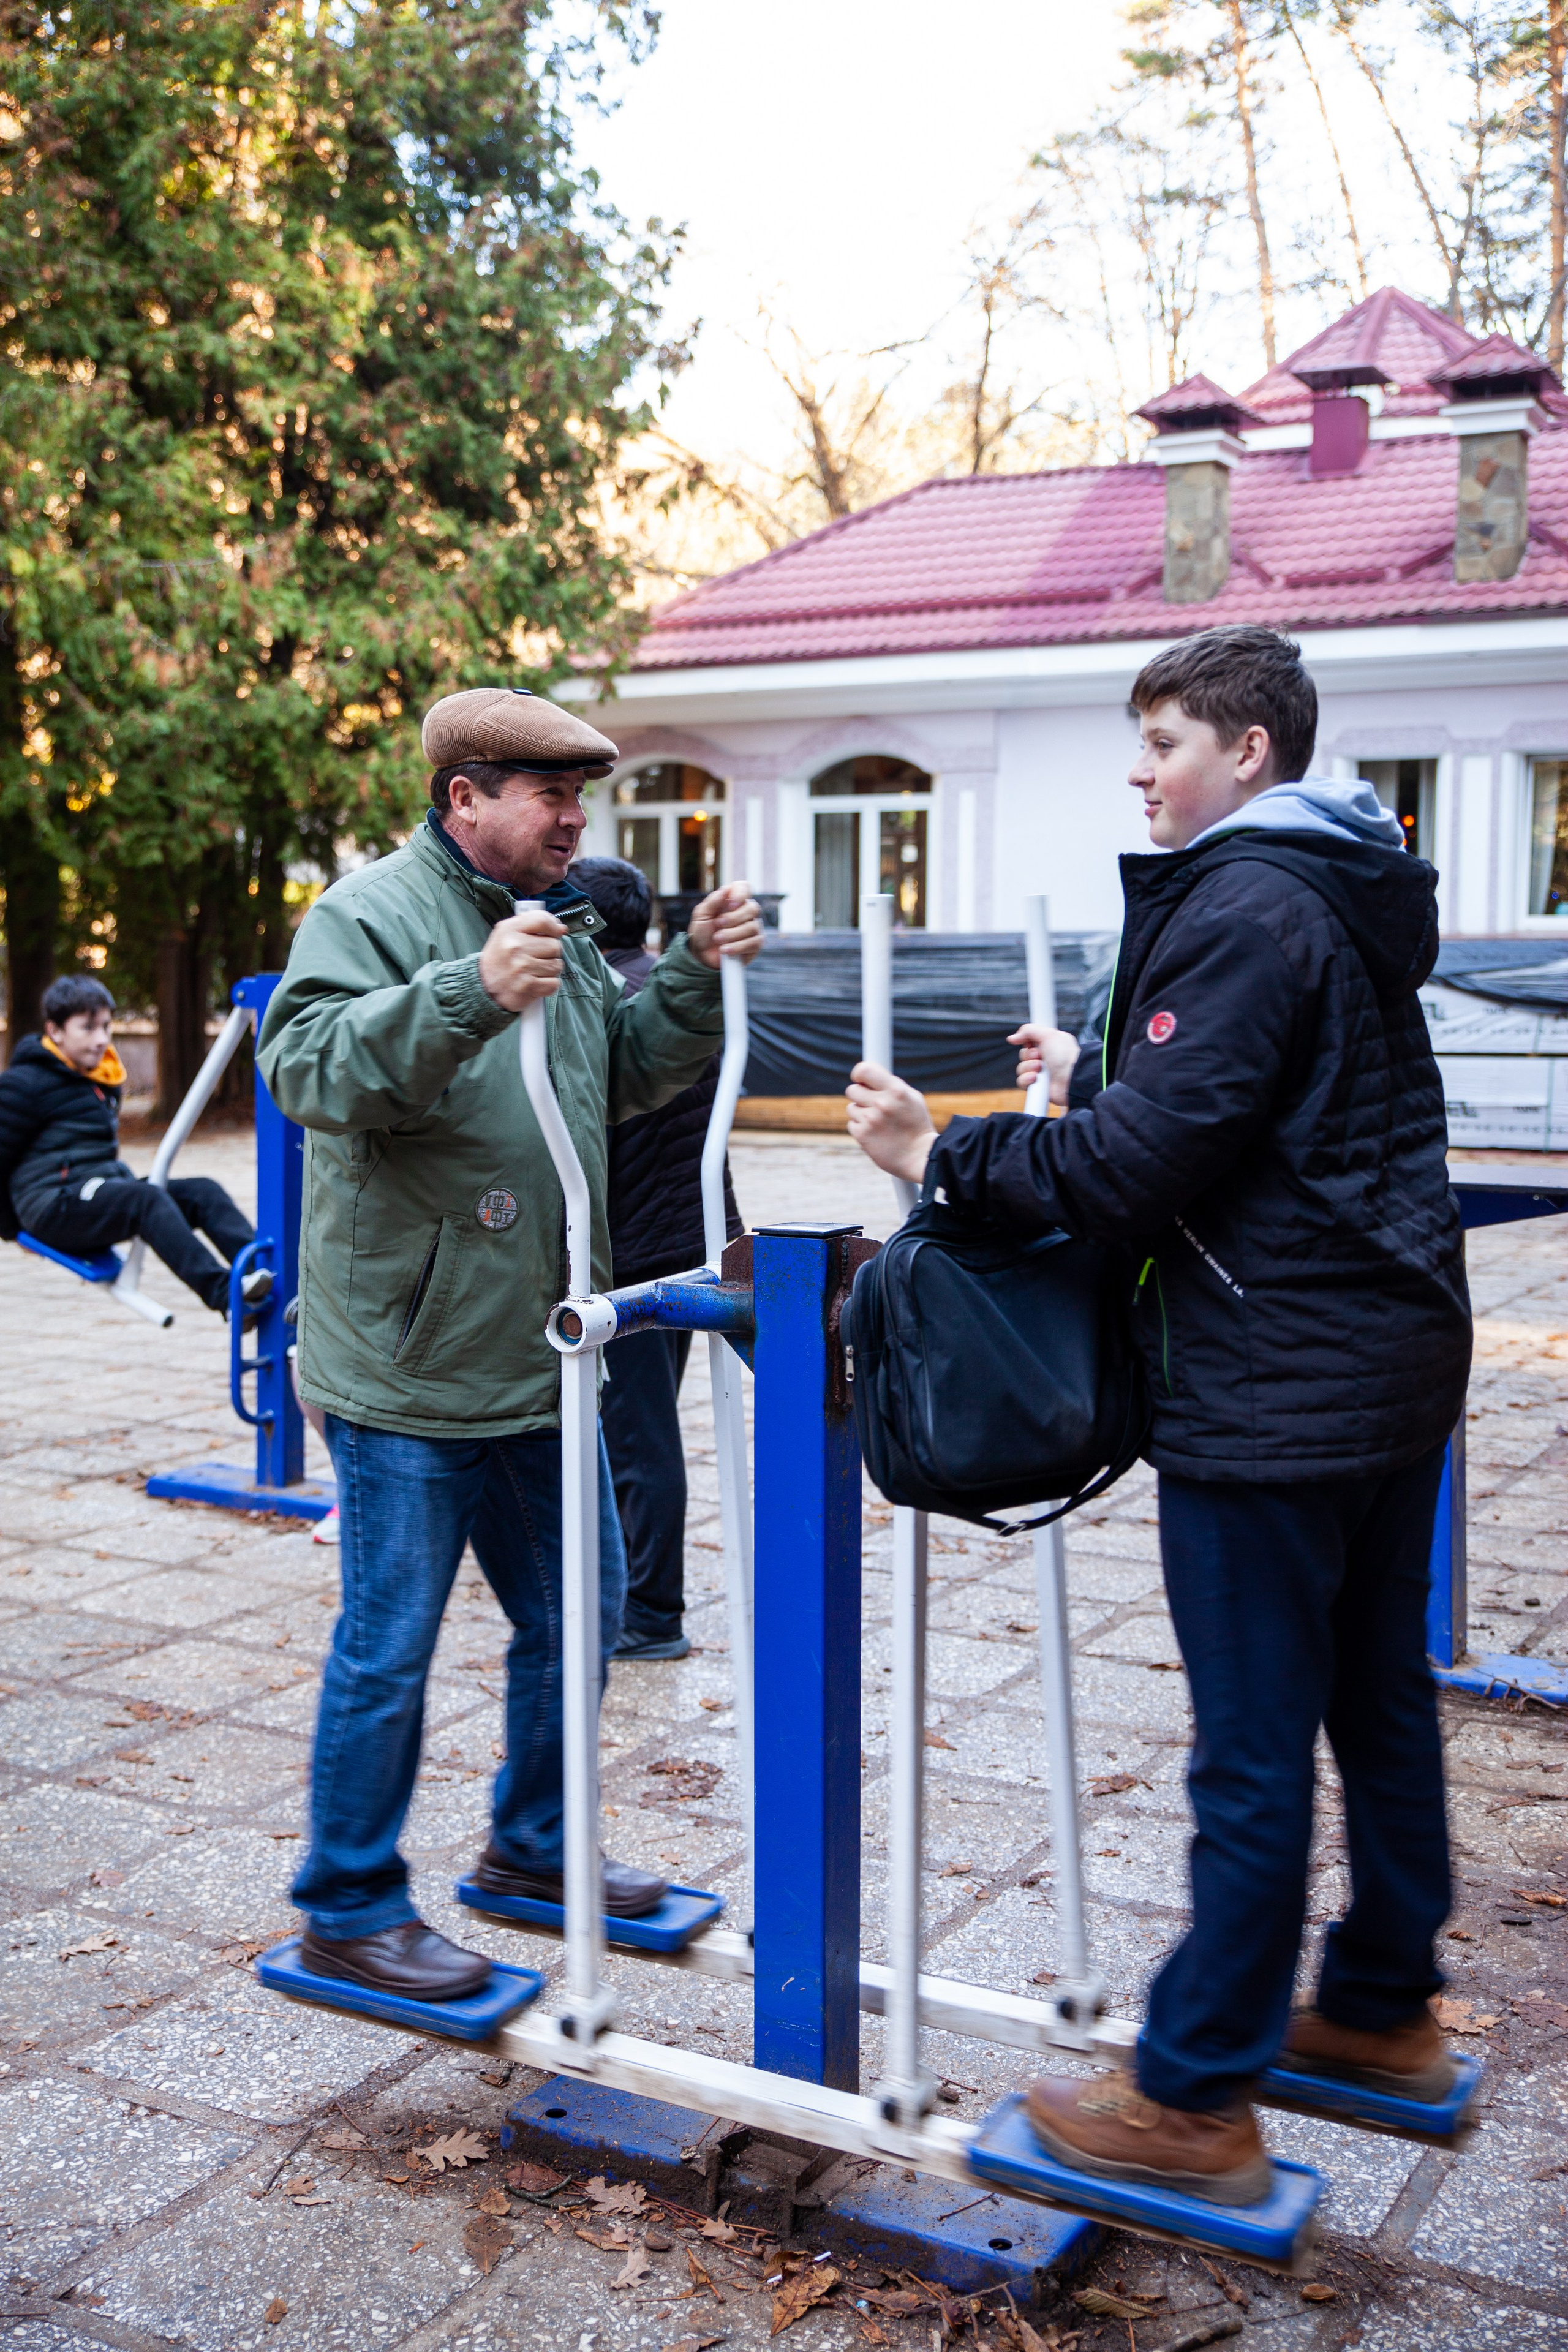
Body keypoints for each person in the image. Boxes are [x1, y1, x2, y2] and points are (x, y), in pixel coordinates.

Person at [845, 625, 1471, 2207]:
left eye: (1169, 742)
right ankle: (1385, 2010)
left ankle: (1193, 2096)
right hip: (1389, 1359)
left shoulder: (1247, 902)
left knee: (1252, 1751)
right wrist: (1106, 1059)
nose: (1144, 771)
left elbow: (1138, 1169)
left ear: (1248, 752)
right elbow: (1260, 1106)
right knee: (1379, 1695)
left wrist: (943, 1154)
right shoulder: (1337, 885)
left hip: (1279, 1387)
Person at [257, 685, 764, 2003]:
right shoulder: (368, 915)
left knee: (576, 1618)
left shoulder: (571, 932)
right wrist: (464, 995)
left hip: (541, 1357)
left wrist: (698, 975)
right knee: (390, 1640)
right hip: (410, 1365)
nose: (572, 817)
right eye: (548, 794)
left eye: (577, 796)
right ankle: (348, 1903)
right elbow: (306, 1066)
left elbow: (623, 1075)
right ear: (462, 798)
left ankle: (533, 1849)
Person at [571, 856, 744, 1662]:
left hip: (631, 1247)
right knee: (640, 1428)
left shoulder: (597, 1003)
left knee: (637, 1436)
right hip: (687, 1234)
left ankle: (651, 1614)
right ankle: (624, 1591)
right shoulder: (674, 990)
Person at [0, 974, 272, 1316]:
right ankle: (224, 1295)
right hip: (54, 1205)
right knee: (144, 1200)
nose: (101, 1039)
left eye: (106, 1026)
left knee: (204, 1192)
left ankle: (266, 1274)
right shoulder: (24, 1084)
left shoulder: (100, 1078)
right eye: (87, 1028)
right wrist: (16, 1232)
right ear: (55, 1031)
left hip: (99, 1192)